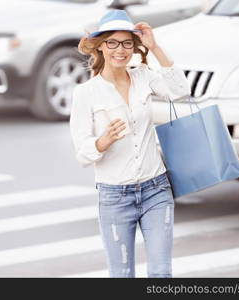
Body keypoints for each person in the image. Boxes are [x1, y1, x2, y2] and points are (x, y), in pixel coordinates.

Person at [69, 9, 190, 278]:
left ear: (134, 47)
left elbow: (181, 91)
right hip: (114, 197)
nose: (120, 50)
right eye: (112, 42)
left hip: (156, 190)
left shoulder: (144, 76)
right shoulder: (85, 93)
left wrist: (155, 47)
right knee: (122, 276)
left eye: (126, 43)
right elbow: (82, 153)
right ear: (101, 46)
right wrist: (104, 141)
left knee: (161, 274)